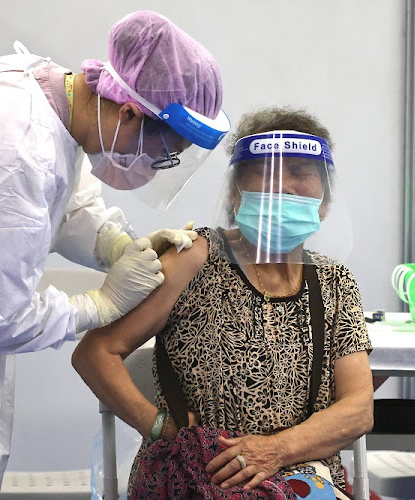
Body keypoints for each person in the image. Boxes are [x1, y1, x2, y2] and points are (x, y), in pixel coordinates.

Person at [0, 11, 229, 499]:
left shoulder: (52, 96)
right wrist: (101, 304)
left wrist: (116, 244)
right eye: (162, 151)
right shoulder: (12, 145)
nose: (155, 165)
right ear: (128, 112)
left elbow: (58, 201)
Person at [72, 107, 374, 498]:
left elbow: (358, 408)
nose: (282, 186)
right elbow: (96, 353)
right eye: (265, 172)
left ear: (325, 201)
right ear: (234, 193)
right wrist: (162, 427)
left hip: (303, 476)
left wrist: (275, 450)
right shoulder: (194, 257)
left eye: (300, 171)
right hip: (200, 476)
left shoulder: (334, 281)